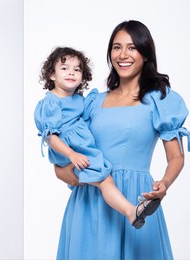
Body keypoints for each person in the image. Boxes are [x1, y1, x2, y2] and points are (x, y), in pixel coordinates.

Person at [53, 20, 190, 259]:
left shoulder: (161, 100)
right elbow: (62, 163)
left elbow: (176, 157)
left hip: (137, 200)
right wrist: (71, 172)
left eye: (132, 47)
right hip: (89, 202)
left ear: (146, 54)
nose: (123, 55)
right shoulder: (92, 102)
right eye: (117, 47)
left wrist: (165, 184)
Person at [35, 47, 160, 229]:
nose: (71, 72)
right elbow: (49, 137)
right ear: (52, 75)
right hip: (70, 150)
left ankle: (130, 210)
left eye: (77, 69)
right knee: (105, 180)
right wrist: (71, 155)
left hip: (82, 149)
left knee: (103, 180)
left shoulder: (80, 100)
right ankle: (130, 211)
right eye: (64, 68)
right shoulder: (49, 103)